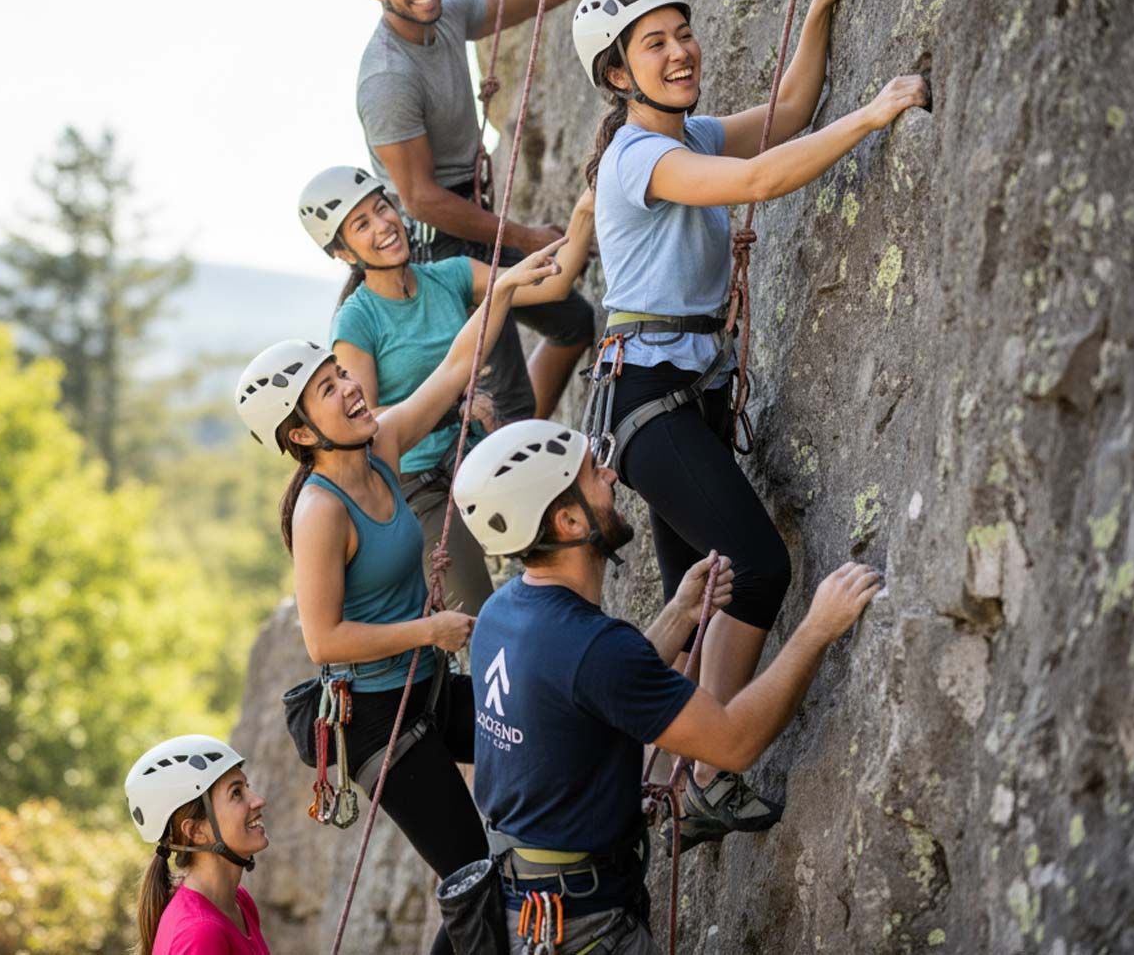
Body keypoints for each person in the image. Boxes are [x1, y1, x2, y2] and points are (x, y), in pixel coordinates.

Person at [568, 0, 928, 839]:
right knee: (755, 567)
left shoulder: (686, 134)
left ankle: (693, 771)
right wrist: (875, 113)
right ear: (618, 75)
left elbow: (786, 119)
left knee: (713, 588)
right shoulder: (641, 158)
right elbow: (762, 179)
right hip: (647, 397)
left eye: (681, 33)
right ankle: (707, 767)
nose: (680, 50)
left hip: (680, 392)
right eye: (654, 43)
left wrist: (814, 17)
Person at [234, 239, 564, 955]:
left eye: (339, 375)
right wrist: (430, 630)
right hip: (379, 720)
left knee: (541, 744)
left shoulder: (378, 447)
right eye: (328, 389)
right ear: (299, 433)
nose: (351, 387)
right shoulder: (320, 512)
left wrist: (501, 288)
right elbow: (324, 641)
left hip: (424, 686)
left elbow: (451, 370)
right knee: (473, 877)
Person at [451, 420, 884, 952]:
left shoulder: (502, 615)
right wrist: (816, 629)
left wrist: (679, 613)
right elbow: (733, 741)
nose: (610, 476)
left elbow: (583, 693)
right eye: (592, 474)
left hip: (528, 912)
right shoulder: (593, 647)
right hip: (586, 929)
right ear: (567, 521)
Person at [342, 0, 667, 422]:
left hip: (471, 220)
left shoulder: (444, 18)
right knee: (505, 398)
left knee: (573, 323)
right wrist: (519, 235)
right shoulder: (387, 80)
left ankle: (522, 450)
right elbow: (421, 200)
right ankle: (517, 469)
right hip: (439, 249)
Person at [298, 163, 594, 615]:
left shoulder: (449, 275)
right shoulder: (357, 321)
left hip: (478, 455)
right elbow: (367, 420)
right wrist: (451, 408)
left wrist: (584, 213)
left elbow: (552, 287)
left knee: (571, 536)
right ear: (342, 252)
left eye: (382, 209)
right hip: (423, 484)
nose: (383, 226)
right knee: (473, 616)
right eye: (362, 225)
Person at [127, 734, 271, 955]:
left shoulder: (238, 902)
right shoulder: (200, 934)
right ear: (196, 831)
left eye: (247, 786)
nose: (258, 800)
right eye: (236, 793)